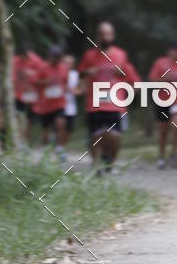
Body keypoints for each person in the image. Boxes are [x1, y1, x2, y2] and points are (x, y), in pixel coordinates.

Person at [78, 21, 140, 172]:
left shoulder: (121, 55)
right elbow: (79, 74)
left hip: (114, 104)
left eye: (109, 34)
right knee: (95, 136)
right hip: (94, 104)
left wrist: (126, 93)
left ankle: (109, 163)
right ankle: (96, 165)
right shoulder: (89, 55)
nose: (106, 37)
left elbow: (134, 82)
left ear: (113, 36)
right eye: (102, 34)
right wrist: (87, 73)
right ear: (97, 36)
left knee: (114, 137)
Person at [149, 44, 177, 169]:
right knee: (163, 132)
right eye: (174, 50)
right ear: (169, 51)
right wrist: (164, 80)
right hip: (162, 100)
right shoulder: (160, 63)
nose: (176, 53)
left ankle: (173, 155)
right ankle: (161, 157)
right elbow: (151, 81)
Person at [35, 45, 69, 160]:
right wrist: (44, 82)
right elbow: (34, 81)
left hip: (59, 102)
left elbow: (65, 82)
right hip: (46, 104)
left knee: (61, 124)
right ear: (50, 56)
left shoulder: (64, 68)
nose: (56, 59)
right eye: (54, 56)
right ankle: (45, 150)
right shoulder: (43, 68)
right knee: (46, 128)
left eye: (58, 56)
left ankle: (60, 149)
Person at [12, 44, 45, 143]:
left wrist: (33, 74)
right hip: (18, 93)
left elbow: (44, 75)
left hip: (32, 93)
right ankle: (17, 140)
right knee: (18, 117)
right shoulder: (14, 60)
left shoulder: (37, 60)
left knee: (29, 120)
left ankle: (25, 141)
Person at [63, 54, 79, 142]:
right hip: (58, 106)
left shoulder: (75, 75)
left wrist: (74, 91)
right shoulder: (58, 72)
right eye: (65, 63)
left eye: (69, 63)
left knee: (69, 129)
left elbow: (79, 89)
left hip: (71, 106)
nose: (67, 65)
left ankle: (62, 146)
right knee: (59, 126)